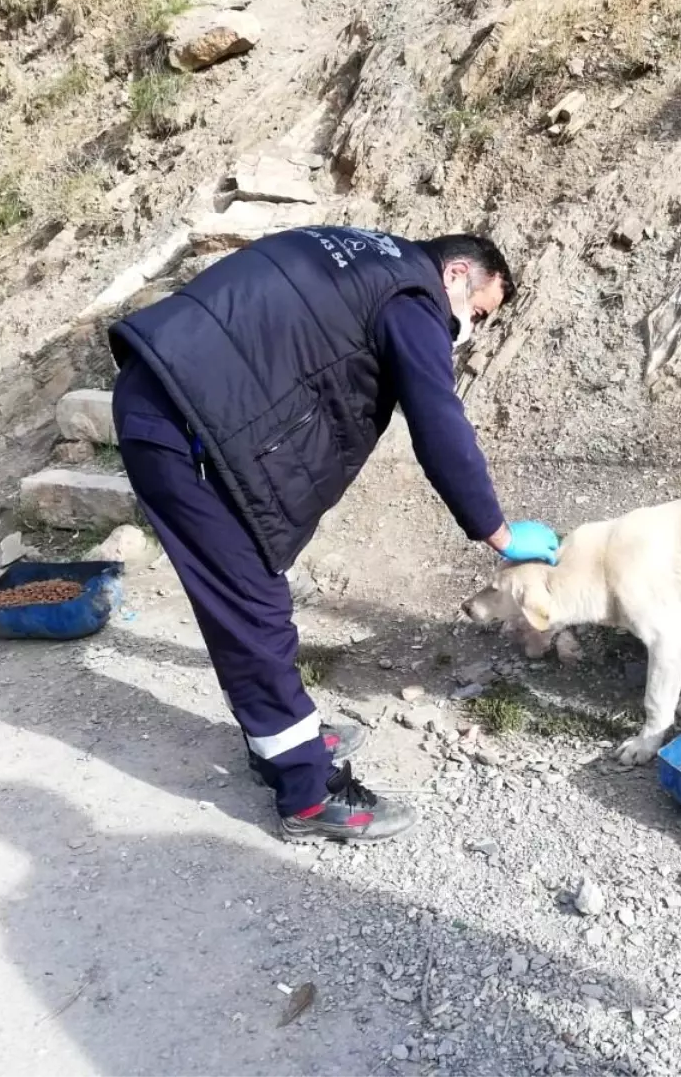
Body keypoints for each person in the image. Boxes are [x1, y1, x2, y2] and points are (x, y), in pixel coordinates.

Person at [108, 225, 559, 844]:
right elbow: (437, 420)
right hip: (186, 427)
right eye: (477, 313)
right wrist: (498, 532)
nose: (469, 330)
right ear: (456, 275)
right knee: (252, 609)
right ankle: (307, 793)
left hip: (177, 394)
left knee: (256, 592)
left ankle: (280, 738)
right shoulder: (413, 297)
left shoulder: (365, 253)